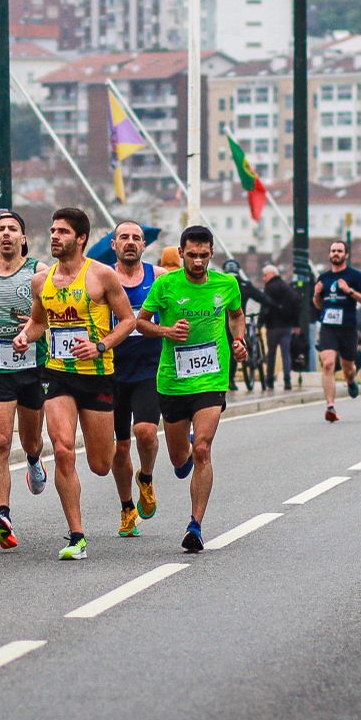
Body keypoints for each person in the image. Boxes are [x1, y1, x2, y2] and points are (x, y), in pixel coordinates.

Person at [13, 206, 137, 560]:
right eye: (53, 231)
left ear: (81, 238)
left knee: (101, 463)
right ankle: (77, 536)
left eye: (63, 231)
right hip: (57, 374)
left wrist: (100, 346)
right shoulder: (41, 281)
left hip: (96, 375)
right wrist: (24, 336)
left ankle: (125, 493)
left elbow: (128, 320)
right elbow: (39, 322)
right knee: (63, 449)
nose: (55, 236)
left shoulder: (102, 276)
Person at [136, 225, 248, 553]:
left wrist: (239, 340)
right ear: (181, 253)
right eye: (192, 255)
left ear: (211, 254)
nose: (198, 262)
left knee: (202, 448)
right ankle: (181, 451)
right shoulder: (166, 285)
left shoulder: (227, 284)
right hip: (173, 381)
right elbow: (141, 322)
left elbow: (237, 316)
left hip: (211, 378)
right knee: (179, 459)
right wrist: (167, 331)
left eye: (204, 255)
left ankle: (195, 526)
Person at [0, 210, 49, 551]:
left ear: (23, 238)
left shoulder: (39, 272)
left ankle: (33, 460)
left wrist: (31, 327)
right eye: (0, 229)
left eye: (12, 229)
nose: (6, 234)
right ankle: (3, 516)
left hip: (32, 365)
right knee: (1, 441)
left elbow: (50, 317)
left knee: (31, 440)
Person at [110, 220, 162, 537]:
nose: (130, 242)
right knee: (119, 448)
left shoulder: (160, 277)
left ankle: (146, 477)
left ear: (143, 245)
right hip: (112, 371)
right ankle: (127, 508)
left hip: (148, 368)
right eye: (124, 237)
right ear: (114, 244)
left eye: (136, 238)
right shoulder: (102, 278)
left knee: (145, 432)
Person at [312, 239, 361, 423]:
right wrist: (316, 294)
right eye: (333, 251)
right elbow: (318, 305)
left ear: (346, 255)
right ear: (329, 255)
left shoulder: (354, 276)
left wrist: (349, 291)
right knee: (328, 363)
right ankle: (330, 407)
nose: (336, 254)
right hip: (328, 327)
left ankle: (351, 381)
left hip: (348, 328)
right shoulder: (323, 278)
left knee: (348, 368)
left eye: (339, 251)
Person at [250, 264, 299, 392]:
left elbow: (265, 306)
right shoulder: (286, 287)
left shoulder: (269, 288)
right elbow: (296, 302)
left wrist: (260, 323)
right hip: (287, 326)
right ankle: (287, 380)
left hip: (272, 327)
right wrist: (295, 322)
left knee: (271, 354)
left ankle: (270, 380)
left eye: (265, 275)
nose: (263, 278)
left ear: (272, 274)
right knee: (286, 354)